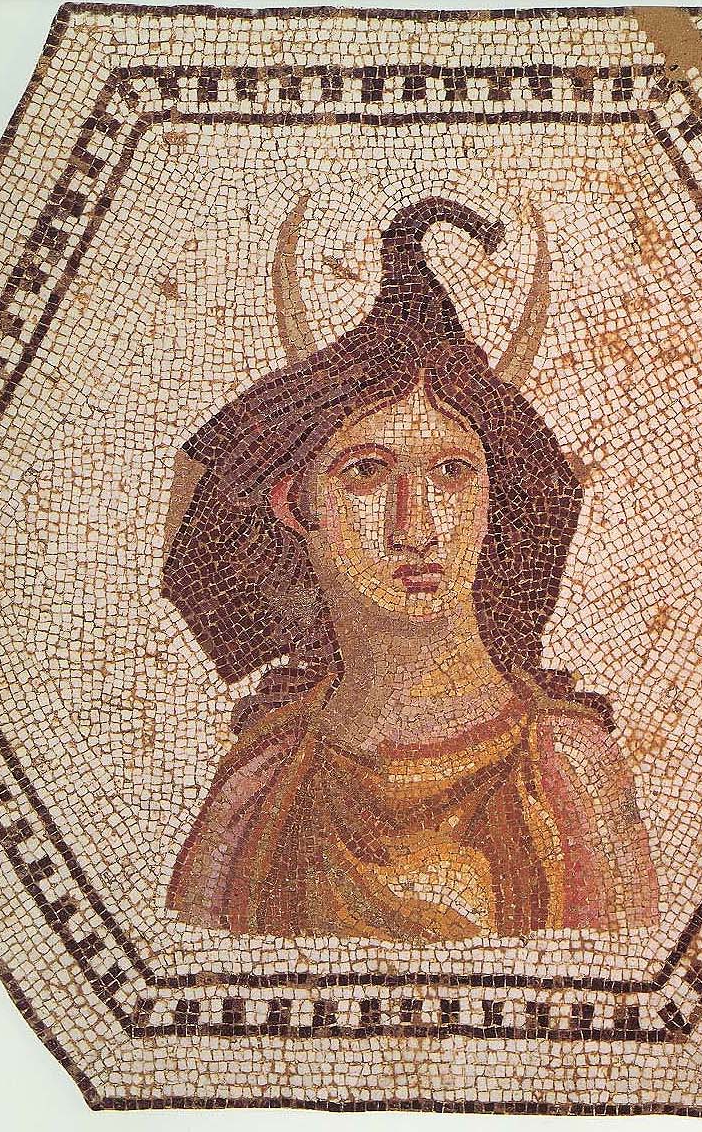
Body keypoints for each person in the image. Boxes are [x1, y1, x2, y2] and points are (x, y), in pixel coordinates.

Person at [162, 196, 659, 941]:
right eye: (366, 472)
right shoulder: (263, 776)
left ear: (494, 502)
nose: (415, 526)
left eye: (453, 472)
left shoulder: (564, 771)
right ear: (296, 504)